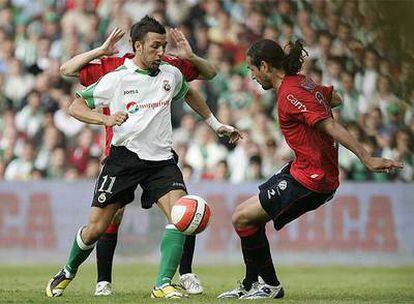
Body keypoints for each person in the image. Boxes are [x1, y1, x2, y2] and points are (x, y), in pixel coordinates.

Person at [46, 15, 241, 299]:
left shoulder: (170, 73)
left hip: (161, 162)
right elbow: (76, 107)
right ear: (137, 46)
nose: (161, 52)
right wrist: (106, 120)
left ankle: (163, 283)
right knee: (95, 229)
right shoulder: (116, 78)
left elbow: (190, 93)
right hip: (123, 160)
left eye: (163, 46)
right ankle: (67, 271)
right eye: (155, 47)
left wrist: (216, 124)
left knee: (182, 215)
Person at [217, 39, 403, 299]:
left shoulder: (291, 94)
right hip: (300, 169)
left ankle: (269, 286)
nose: (252, 76)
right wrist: (315, 107)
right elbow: (333, 97)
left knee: (242, 217)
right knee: (246, 219)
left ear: (265, 66)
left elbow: (330, 126)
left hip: (313, 179)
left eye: (252, 69)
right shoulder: (301, 83)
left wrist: (366, 157)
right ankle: (252, 284)